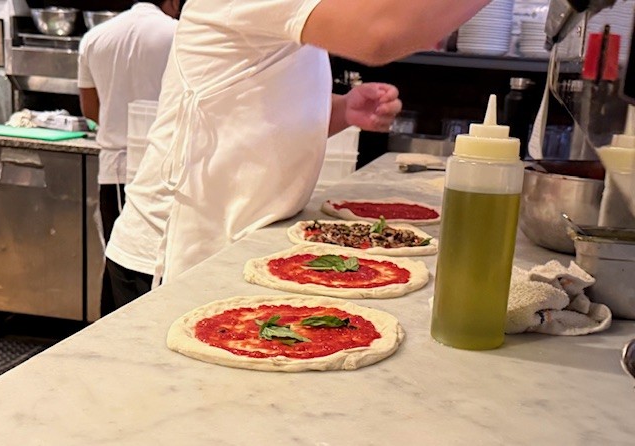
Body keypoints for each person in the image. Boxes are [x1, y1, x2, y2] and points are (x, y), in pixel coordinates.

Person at [106, 0, 493, 308]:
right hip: (169, 257)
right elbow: (381, 33)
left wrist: (343, 110)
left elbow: (255, 112)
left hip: (235, 242)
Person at [77, 1, 183, 315]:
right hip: (162, 168)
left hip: (114, 170)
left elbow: (90, 109)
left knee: (118, 259)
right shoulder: (179, 34)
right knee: (151, 265)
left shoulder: (95, 37)